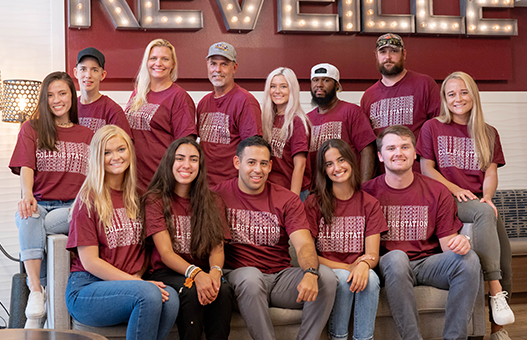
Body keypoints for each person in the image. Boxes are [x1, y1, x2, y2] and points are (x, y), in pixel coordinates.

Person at [417, 71, 514, 339]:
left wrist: (487, 197)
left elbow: (491, 172)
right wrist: (457, 189)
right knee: (484, 213)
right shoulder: (432, 127)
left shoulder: (488, 132)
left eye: (463, 92)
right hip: (445, 200)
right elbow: (426, 169)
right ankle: (495, 290)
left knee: (504, 258)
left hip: (476, 201)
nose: (458, 98)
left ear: (473, 94)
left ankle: (498, 330)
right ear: (444, 100)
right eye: (451, 94)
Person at [362, 125, 481, 340]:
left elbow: (448, 245)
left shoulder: (437, 191)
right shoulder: (366, 193)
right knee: (397, 257)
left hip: (427, 264)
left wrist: (462, 241)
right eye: (391, 148)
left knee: (469, 259)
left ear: (415, 153)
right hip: (387, 265)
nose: (398, 153)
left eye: (404, 147)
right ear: (380, 156)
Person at [213, 136, 337, 340]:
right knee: (251, 278)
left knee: (327, 278)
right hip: (239, 277)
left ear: (270, 166)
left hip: (279, 278)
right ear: (237, 163)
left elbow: (304, 242)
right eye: (251, 162)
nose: (257, 170)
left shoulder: (286, 199)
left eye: (263, 163)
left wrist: (310, 272)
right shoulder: (218, 195)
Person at [65, 125, 178, 340]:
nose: (115, 157)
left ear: (130, 152)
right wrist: (135, 283)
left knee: (171, 299)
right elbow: (90, 262)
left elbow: (144, 250)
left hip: (129, 286)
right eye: (107, 152)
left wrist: (137, 278)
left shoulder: (139, 197)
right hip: (89, 288)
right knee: (147, 294)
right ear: (98, 157)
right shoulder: (87, 201)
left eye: (121, 149)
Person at [9, 71, 93, 328]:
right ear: (43, 100)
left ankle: (39, 300)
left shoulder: (87, 135)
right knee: (28, 215)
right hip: (40, 203)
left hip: (71, 209)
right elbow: (26, 167)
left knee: (40, 223)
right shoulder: (31, 129)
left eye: (62, 93)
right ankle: (36, 291)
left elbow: (93, 178)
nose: (57, 100)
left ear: (72, 96)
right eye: (50, 95)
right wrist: (26, 197)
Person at [142, 137, 233, 340]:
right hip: (166, 272)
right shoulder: (154, 199)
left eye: (193, 159)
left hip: (204, 270)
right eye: (180, 158)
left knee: (224, 291)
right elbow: (165, 253)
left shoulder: (213, 201)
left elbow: (217, 248)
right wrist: (196, 274)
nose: (186, 165)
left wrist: (216, 274)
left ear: (199, 166)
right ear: (169, 163)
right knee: (190, 291)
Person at [305, 139, 387, 340]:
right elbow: (308, 255)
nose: (337, 168)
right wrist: (349, 268)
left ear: (351, 161)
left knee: (372, 279)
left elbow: (372, 254)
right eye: (329, 164)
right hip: (327, 268)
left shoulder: (369, 203)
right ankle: (338, 337)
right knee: (342, 279)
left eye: (341, 160)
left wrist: (363, 265)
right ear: (324, 170)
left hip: (356, 268)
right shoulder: (314, 203)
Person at [360, 33, 440, 174]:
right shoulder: (368, 96)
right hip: (382, 179)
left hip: (420, 175)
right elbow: (368, 146)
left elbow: (440, 131)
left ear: (404, 54)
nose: (388, 57)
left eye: (394, 51)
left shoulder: (424, 84)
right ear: (376, 56)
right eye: (383, 52)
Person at [126, 38, 197, 190]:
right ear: (147, 62)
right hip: (132, 181)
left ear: (172, 65)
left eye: (165, 59)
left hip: (161, 182)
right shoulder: (138, 93)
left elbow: (185, 146)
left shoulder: (179, 97)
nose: (158, 63)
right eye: (153, 58)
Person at [197, 42, 262, 187]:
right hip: (204, 186)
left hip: (233, 187)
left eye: (224, 64)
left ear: (234, 67)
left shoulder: (246, 102)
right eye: (213, 63)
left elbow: (253, 151)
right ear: (207, 65)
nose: (217, 69)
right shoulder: (203, 103)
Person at [307, 63, 376, 183]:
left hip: (348, 187)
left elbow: (367, 150)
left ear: (337, 85)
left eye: (326, 80)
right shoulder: (306, 119)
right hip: (318, 191)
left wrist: (364, 186)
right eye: (315, 80)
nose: (319, 85)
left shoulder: (352, 111)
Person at [261, 67, 311, 199]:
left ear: (292, 89)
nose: (277, 91)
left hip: (293, 192)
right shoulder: (267, 120)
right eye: (273, 86)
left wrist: (293, 201)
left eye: (283, 86)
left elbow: (300, 165)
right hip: (272, 191)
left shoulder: (297, 121)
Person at [74, 47, 132, 135]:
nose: (88, 75)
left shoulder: (113, 111)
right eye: (83, 69)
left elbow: (124, 145)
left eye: (94, 70)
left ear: (102, 75)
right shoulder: (70, 108)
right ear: (76, 73)